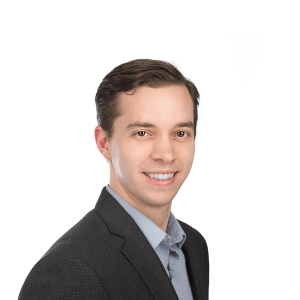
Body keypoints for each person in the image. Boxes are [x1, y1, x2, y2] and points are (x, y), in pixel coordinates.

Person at [18, 59, 209, 300]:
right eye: (142, 133)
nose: (166, 154)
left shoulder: (194, 245)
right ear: (104, 142)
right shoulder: (68, 270)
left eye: (180, 133)